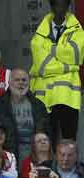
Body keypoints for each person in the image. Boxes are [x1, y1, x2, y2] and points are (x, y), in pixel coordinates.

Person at [30, 0, 84, 144]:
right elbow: (41, 64)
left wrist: (51, 50)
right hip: (45, 97)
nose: (60, 8)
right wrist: (69, 66)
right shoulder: (40, 33)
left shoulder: (77, 30)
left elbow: (76, 55)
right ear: (52, 6)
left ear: (68, 7)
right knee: (46, 142)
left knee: (69, 142)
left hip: (67, 97)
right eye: (57, 4)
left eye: (64, 5)